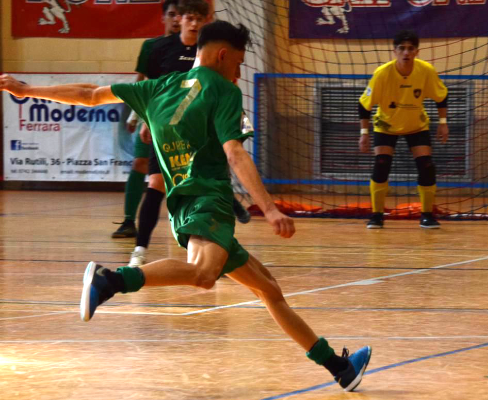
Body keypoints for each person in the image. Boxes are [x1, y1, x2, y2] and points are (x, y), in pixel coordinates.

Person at [0, 20, 371, 393]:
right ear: (222, 55)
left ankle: (339, 367)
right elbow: (235, 153)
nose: (238, 73)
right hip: (210, 200)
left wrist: (27, 90)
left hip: (182, 205)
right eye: (238, 63)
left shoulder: (157, 87)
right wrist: (270, 209)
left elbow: (89, 94)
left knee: (268, 290)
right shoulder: (223, 91)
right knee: (204, 275)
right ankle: (111, 281)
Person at [127, 0, 251, 268]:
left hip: (202, 128)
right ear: (179, 19)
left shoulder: (211, 53)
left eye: (199, 19)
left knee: (212, 177)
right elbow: (151, 88)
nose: (193, 24)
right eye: (188, 18)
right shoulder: (160, 48)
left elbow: (225, 85)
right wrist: (144, 118)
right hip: (168, 129)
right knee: (156, 183)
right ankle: (139, 249)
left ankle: (220, 242)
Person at [358, 30, 449, 229]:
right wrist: (364, 134)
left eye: (410, 48)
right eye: (402, 48)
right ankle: (377, 216)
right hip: (386, 125)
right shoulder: (382, 73)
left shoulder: (426, 70)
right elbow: (364, 105)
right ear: (395, 51)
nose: (406, 52)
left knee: (426, 166)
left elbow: (441, 97)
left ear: (417, 51)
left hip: (416, 125)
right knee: (381, 164)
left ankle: (427, 215)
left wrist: (443, 123)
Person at [112, 0, 182, 239]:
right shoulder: (151, 46)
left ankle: (186, 222)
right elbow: (142, 82)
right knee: (140, 164)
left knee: (177, 172)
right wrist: (135, 115)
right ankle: (128, 221)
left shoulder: (193, 48)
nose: (176, 19)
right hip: (151, 115)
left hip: (182, 119)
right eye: (171, 14)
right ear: (163, 18)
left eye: (180, 15)